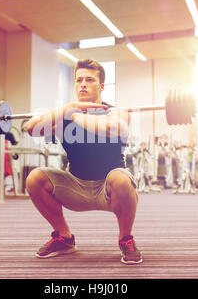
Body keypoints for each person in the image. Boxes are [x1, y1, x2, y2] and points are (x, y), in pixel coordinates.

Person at [24, 59, 142, 265]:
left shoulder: (116, 112)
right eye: (79, 80)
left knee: (121, 178)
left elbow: (112, 128)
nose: (83, 84)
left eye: (89, 79)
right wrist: (66, 110)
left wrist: (75, 116)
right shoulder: (64, 114)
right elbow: (32, 128)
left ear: (101, 86)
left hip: (109, 188)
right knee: (35, 178)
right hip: (75, 187)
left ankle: (125, 239)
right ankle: (64, 238)